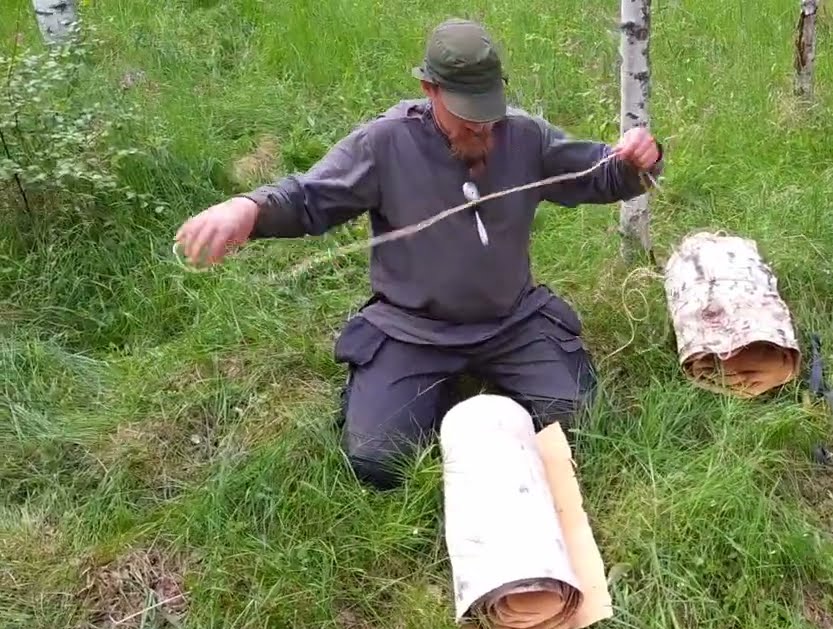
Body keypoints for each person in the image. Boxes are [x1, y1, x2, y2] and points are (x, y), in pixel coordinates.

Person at [173, 18, 664, 490]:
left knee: (585, 423)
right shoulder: (384, 143)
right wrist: (248, 208)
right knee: (379, 462)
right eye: (468, 118)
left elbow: (601, 173)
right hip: (413, 329)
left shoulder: (524, 135)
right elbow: (310, 197)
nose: (483, 131)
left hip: (511, 321)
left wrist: (641, 158)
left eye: (489, 115)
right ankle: (414, 389)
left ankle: (481, 382)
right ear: (431, 91)